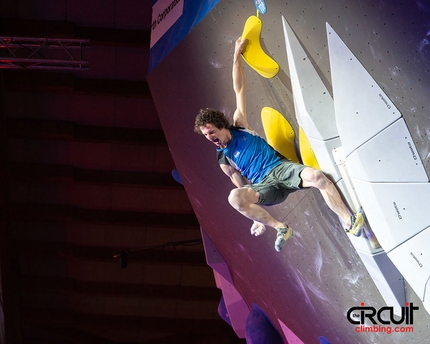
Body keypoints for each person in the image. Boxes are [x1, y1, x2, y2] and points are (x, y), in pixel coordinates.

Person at [194, 37, 364, 252]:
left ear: (219, 125)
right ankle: (280, 228)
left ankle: (349, 222)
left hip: (282, 169)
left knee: (318, 177)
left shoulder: (239, 125)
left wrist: (236, 57)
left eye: (210, 132)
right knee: (233, 197)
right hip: (264, 187)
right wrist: (253, 216)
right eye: (205, 135)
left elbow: (239, 89)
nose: (209, 137)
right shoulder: (223, 159)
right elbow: (241, 186)